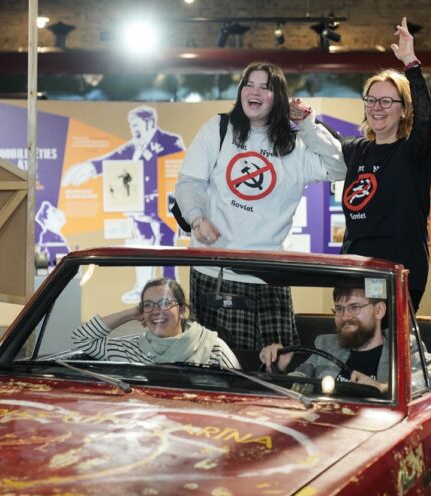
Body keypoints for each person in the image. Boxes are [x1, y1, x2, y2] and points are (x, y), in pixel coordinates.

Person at [174, 61, 346, 350]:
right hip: (216, 269)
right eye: (248, 84)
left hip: (269, 273)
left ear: (277, 96)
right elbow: (188, 182)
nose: (254, 92)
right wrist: (197, 218)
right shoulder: (219, 129)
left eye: (264, 87)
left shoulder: (294, 144)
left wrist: (306, 125)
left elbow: (339, 168)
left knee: (276, 365)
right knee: (216, 367)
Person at [290, 18, 431, 311]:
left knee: (390, 351)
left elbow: (425, 120)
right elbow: (330, 140)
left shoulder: (415, 152)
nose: (376, 108)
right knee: (354, 342)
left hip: (399, 272)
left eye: (386, 101)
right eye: (371, 100)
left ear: (404, 108)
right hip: (354, 272)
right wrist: (306, 118)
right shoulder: (358, 151)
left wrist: (410, 61)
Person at [61, 106, 186, 303]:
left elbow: (175, 169)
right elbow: (112, 158)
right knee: (142, 248)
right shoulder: (133, 146)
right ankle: (142, 289)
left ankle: (172, 293)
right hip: (139, 208)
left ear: (149, 122)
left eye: (136, 124)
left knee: (167, 249)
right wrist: (89, 168)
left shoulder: (170, 141)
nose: (133, 128)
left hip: (163, 208)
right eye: (131, 125)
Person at [258, 287, 431, 394]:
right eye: (339, 309)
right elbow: (302, 381)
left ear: (379, 310)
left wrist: (386, 388)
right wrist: (276, 369)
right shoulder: (326, 345)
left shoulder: (403, 347)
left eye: (354, 307)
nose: (345, 316)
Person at [70, 278, 240, 369]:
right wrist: (129, 313)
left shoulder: (213, 348)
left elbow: (239, 393)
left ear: (182, 310)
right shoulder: (128, 350)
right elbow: (82, 339)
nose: (157, 311)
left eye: (165, 303)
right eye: (149, 305)